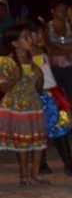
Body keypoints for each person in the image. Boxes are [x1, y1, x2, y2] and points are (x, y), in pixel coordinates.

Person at [0, 23, 48, 185]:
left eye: (30, 36)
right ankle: (24, 175)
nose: (30, 40)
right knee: (23, 141)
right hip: (17, 106)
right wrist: (15, 77)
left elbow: (39, 87)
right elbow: (3, 87)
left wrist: (40, 76)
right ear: (15, 43)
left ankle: (36, 174)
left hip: (33, 104)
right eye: (26, 37)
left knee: (38, 140)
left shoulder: (33, 61)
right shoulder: (7, 62)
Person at [30, 20, 72, 176]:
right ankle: (42, 162)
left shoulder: (44, 49)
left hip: (52, 91)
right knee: (39, 130)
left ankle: (68, 162)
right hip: (37, 93)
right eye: (35, 33)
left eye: (40, 33)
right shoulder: (24, 55)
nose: (39, 36)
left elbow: (49, 71)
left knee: (60, 127)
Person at [44, 0, 72, 146]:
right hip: (53, 68)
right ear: (53, 11)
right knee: (53, 102)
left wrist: (56, 46)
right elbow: (47, 49)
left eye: (65, 9)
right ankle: (53, 136)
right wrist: (66, 47)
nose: (63, 13)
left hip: (71, 68)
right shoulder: (47, 28)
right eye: (60, 10)